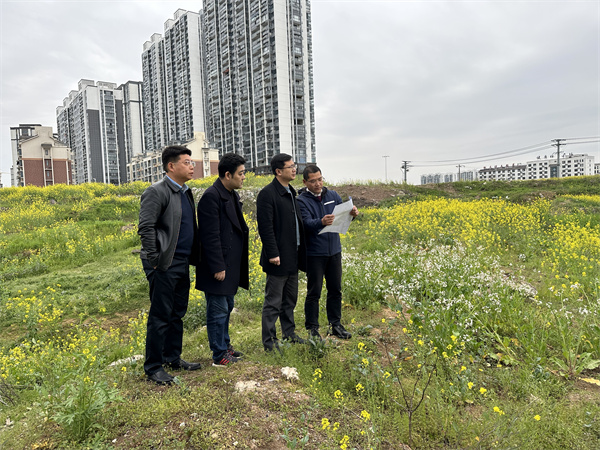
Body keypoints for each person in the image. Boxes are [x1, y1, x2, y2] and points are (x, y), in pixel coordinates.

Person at [138, 145, 202, 385]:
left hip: (182, 261)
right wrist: (155, 261)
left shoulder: (185, 192)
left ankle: (172, 357)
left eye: (192, 162)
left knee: (177, 313)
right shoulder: (156, 191)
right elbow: (146, 228)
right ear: (171, 166)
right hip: (164, 263)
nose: (192, 166)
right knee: (160, 315)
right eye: (187, 162)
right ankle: (153, 367)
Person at [196, 153, 249, 367]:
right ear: (228, 175)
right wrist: (217, 266)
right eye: (241, 173)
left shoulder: (230, 194)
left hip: (230, 264)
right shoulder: (212, 196)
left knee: (226, 306)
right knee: (217, 310)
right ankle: (219, 355)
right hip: (219, 265)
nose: (244, 177)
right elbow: (209, 236)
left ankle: (225, 345)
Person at [297, 164, 359, 340]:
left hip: (334, 250)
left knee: (335, 290)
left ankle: (336, 325)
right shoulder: (301, 201)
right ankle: (313, 329)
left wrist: (352, 215)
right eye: (313, 181)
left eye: (320, 179)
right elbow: (306, 224)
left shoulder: (332, 195)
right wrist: (321, 222)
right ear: (305, 182)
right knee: (314, 292)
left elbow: (342, 218)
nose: (318, 184)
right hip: (315, 253)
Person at [256, 153, 307, 351]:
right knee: (273, 302)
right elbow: (265, 227)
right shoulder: (268, 194)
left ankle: (289, 333)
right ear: (278, 171)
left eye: (294, 165)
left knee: (290, 299)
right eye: (290, 167)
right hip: (277, 257)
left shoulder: (291, 192)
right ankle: (269, 342)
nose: (294, 169)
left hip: (293, 255)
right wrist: (272, 253)